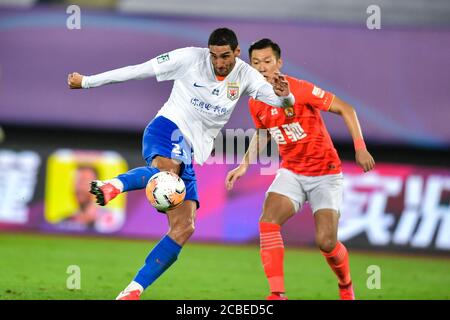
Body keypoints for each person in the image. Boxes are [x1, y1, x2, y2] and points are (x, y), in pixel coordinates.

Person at [67, 28, 295, 300]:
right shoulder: (188, 58)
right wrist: (87, 82)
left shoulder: (246, 75)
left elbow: (280, 101)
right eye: (214, 56)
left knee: (185, 227)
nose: (219, 63)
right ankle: (113, 185)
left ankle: (132, 291)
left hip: (191, 151)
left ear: (236, 52)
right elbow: (140, 70)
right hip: (167, 128)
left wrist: (286, 96)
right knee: (168, 174)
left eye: (225, 56)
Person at [225, 39, 375, 300]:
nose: (261, 68)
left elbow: (346, 108)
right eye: (256, 63)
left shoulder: (300, 89)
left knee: (326, 243)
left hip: (325, 174)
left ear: (279, 62)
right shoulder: (255, 100)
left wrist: (360, 148)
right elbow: (264, 133)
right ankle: (277, 294)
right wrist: (244, 164)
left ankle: (345, 285)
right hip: (292, 172)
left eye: (267, 61)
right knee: (268, 221)